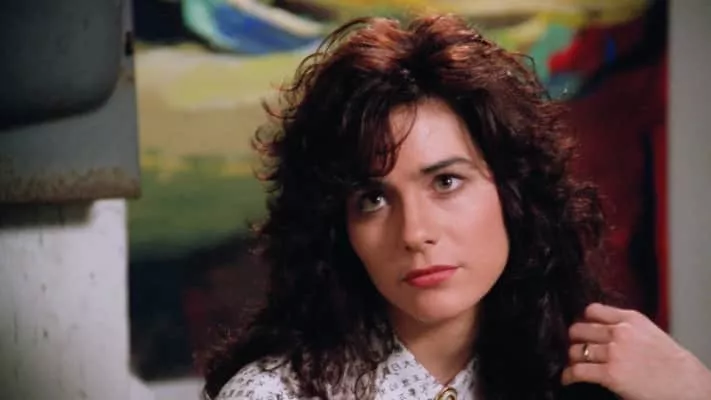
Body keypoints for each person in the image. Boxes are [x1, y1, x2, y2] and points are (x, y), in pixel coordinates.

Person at [202, 14, 711, 400]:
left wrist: (693, 389)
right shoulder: (273, 394)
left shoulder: (602, 375)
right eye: (373, 199)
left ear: (512, 192)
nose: (414, 232)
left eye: (446, 182)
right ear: (338, 227)